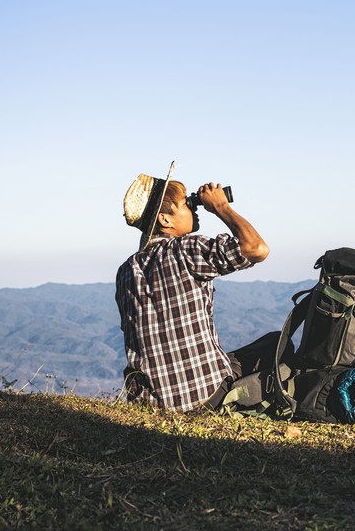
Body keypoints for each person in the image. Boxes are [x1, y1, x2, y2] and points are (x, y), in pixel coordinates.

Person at [115, 162, 270, 412]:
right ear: (165, 219)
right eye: (186, 204)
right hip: (203, 397)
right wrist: (220, 207)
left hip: (150, 403)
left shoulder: (126, 270)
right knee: (275, 344)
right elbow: (256, 249)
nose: (194, 209)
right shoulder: (186, 250)